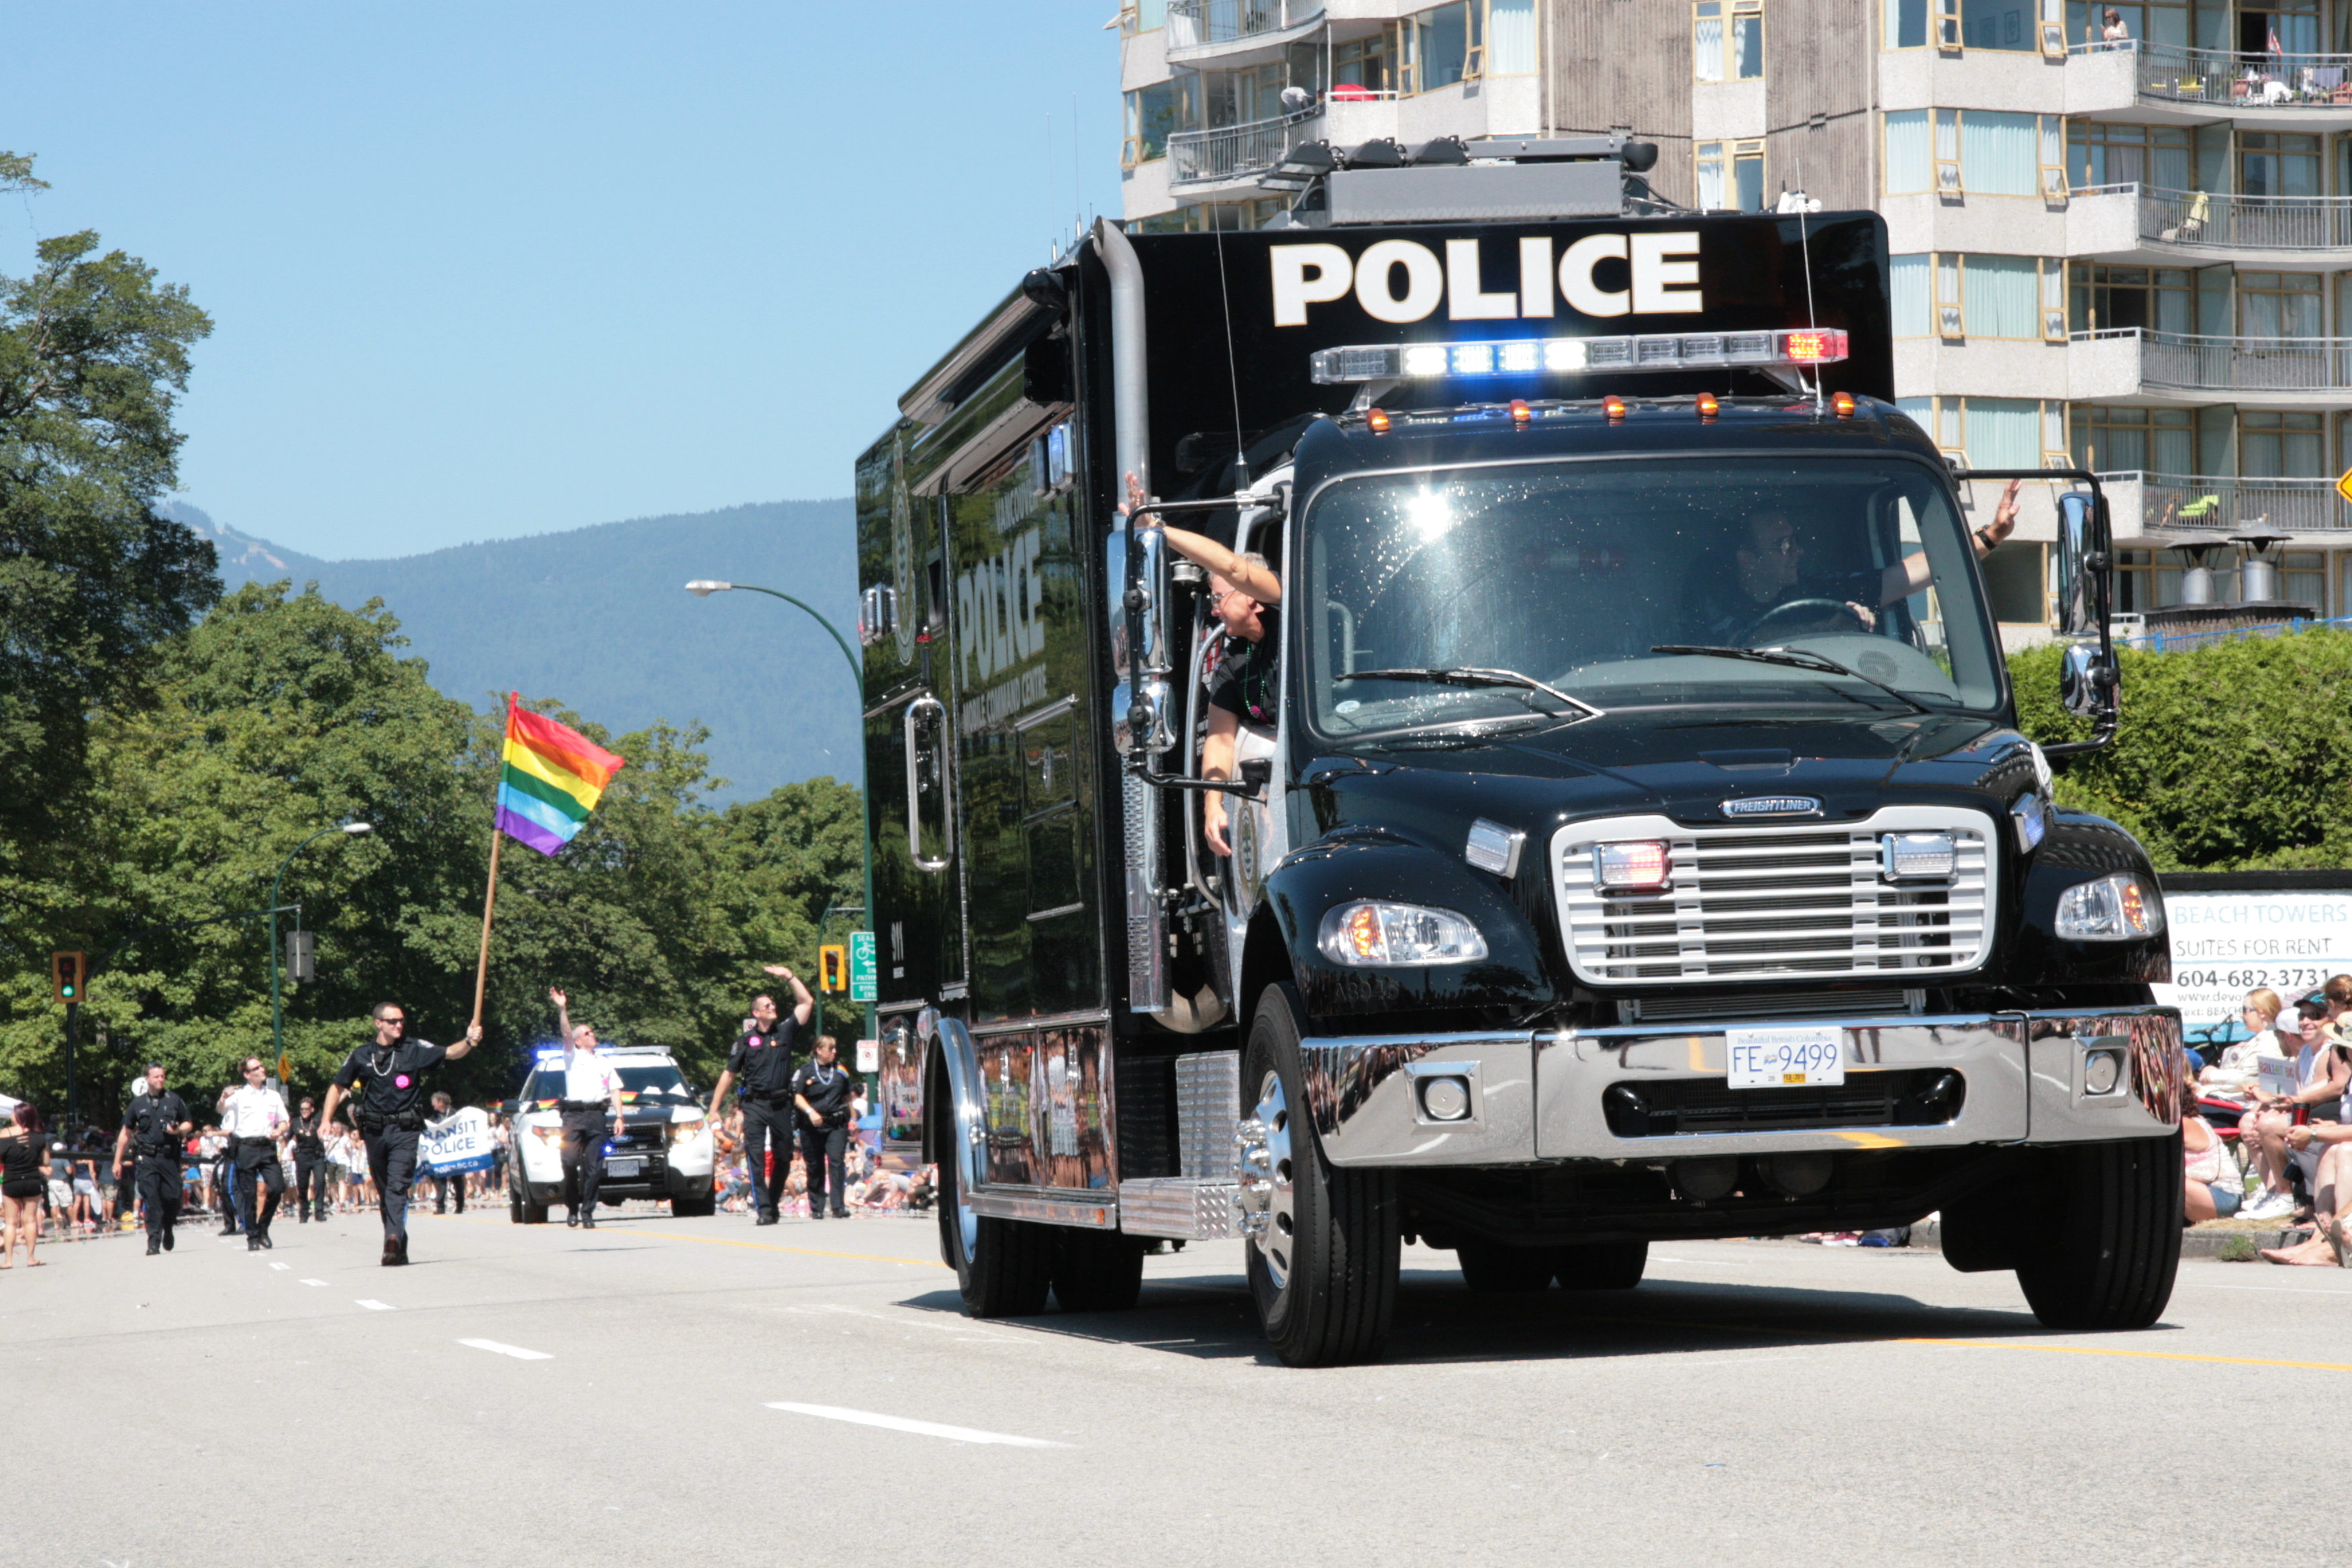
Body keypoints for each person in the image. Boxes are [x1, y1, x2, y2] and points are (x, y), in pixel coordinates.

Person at [1119, 471, 1283, 859]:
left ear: (1253, 599)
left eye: (1219, 598)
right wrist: (1213, 805)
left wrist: (1160, 531)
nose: (1212, 609)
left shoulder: (1287, 609)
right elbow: (1220, 741)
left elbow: (1234, 568)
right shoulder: (1232, 666)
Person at [1685, 481, 2020, 647]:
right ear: (1747, 560)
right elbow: (1742, 643)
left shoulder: (1816, 590)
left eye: (1795, 541)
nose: (1797, 553)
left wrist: (1991, 536)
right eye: (1783, 546)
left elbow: (1906, 576)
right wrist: (1833, 627)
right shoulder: (1708, 599)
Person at [318, 1002, 483, 1265]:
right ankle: (397, 1242)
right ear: (378, 1024)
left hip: (405, 1131)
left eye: (401, 1021)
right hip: (374, 1131)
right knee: (386, 1191)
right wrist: (326, 1119)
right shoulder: (362, 1055)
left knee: (397, 1185)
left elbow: (451, 1053)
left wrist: (469, 1040)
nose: (398, 1025)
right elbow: (337, 1087)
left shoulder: (413, 1048)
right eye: (392, 1021)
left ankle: (391, 1238)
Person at [703, 965, 814, 1225]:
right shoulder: (745, 1041)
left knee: (784, 1155)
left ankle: (772, 1201)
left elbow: (806, 1001)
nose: (772, 1007)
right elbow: (728, 1075)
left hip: (781, 1104)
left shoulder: (785, 1031)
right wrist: (714, 1109)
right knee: (755, 1155)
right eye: (767, 1006)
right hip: (754, 1104)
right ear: (756, 1013)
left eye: (773, 1004)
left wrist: (789, 976)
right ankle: (764, 1209)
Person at [2241, 1000, 2350, 1221]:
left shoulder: (2330, 1053)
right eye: (2302, 1016)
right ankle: (2279, 1194)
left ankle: (2288, 1197)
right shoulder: (2307, 1054)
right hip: (2327, 1119)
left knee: (2274, 1126)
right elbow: (2297, 1092)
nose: (2306, 1021)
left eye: (2314, 1015)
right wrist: (2268, 1102)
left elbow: (2332, 1087)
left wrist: (2311, 1130)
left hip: (2326, 1115)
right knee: (2253, 1121)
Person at [546, 989, 626, 1229]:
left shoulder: (605, 1062)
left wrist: (619, 1116)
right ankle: (572, 1206)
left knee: (594, 1167)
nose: (592, 1035)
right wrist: (562, 1008)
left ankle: (587, 1212)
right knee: (569, 1162)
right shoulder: (573, 1055)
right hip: (574, 1115)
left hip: (596, 1116)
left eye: (592, 1032)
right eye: (587, 1033)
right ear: (579, 1040)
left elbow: (615, 1091)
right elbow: (565, 1033)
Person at [113, 1066, 193, 1256]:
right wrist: (117, 1161)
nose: (161, 1079)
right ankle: (153, 1241)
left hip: (170, 1158)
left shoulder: (174, 1099)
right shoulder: (137, 1104)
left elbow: (188, 1122)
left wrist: (178, 1130)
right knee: (152, 1199)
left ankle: (168, 1227)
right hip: (147, 1158)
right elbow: (125, 1133)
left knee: (172, 1197)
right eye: (156, 1076)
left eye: (163, 1076)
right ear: (147, 1079)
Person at [220, 1057, 291, 1251]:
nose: (262, 1069)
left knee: (276, 1188)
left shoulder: (273, 1095)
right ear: (247, 1074)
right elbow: (221, 1109)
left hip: (267, 1146)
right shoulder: (239, 1095)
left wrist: (280, 1130)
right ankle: (252, 1235)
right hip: (246, 1148)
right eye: (256, 1068)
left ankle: (263, 1227)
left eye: (261, 1066)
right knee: (249, 1194)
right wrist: (223, 1098)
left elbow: (284, 1120)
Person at [792, 1035, 857, 1220]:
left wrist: (853, 1117)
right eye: (830, 1049)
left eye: (835, 1048)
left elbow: (847, 1096)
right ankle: (817, 1206)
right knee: (815, 1165)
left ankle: (838, 1206)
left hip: (836, 1124)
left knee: (836, 1162)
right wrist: (811, 1111)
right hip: (812, 1125)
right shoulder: (805, 1071)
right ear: (819, 1051)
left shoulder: (841, 1070)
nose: (834, 1052)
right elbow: (797, 1096)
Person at [2182, 1082, 2241, 1223]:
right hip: (2204, 1192)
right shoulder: (2190, 1120)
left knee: (2165, 1179)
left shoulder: (2184, 1123)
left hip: (2221, 1196)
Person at [2201, 989, 2284, 1090]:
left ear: (2263, 1012)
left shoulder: (2272, 1042)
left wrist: (2212, 1074)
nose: (2241, 1015)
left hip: (2244, 1103)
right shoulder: (2258, 1039)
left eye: (2246, 1010)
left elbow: (2250, 1078)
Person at [1, 1106, 45, 1267]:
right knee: (30, 1220)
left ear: (18, 1116)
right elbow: (46, 1160)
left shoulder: (4, 1134)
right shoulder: (39, 1137)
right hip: (32, 1179)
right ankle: (31, 1258)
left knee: (11, 1222)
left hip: (11, 1180)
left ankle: (8, 1260)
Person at [425, 1091, 466, 1215]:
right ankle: (441, 1206)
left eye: (434, 1101)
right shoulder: (434, 1117)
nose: (432, 1104)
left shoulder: (455, 1115)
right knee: (440, 1179)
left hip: (455, 1152)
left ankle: (460, 1205)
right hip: (441, 1153)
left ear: (441, 1102)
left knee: (457, 1179)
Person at [289, 1097, 330, 1223]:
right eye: (302, 1109)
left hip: (317, 1155)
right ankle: (304, 1213)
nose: (304, 1111)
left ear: (312, 1109)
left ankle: (319, 1212)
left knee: (320, 1182)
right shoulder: (295, 1122)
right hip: (302, 1155)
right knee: (302, 1185)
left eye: (307, 1109)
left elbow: (328, 1111)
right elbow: (287, 1137)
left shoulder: (318, 1120)